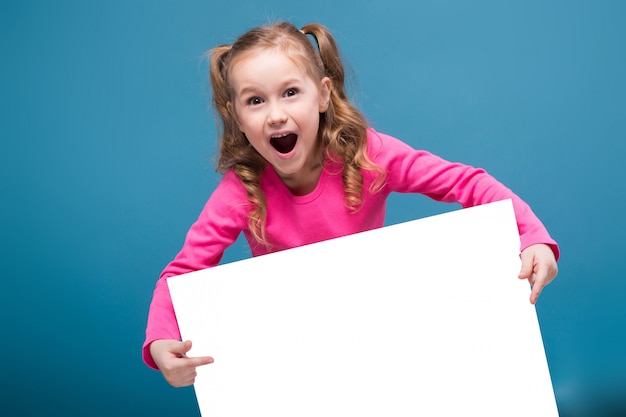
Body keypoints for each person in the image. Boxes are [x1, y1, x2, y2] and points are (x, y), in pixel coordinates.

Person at [143, 21, 559, 388]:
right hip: (298, 344)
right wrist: (162, 340)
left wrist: (532, 236)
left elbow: (465, 182)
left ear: (322, 95)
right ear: (235, 115)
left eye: (290, 93)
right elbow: (182, 272)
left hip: (374, 325)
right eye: (256, 101)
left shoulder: (366, 155)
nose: (275, 116)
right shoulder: (243, 191)